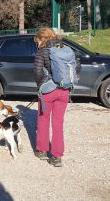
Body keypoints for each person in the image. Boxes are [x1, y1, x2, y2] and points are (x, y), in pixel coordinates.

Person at [33, 27, 80, 167]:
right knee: (58, 123)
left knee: (43, 120)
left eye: (38, 41)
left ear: (43, 39)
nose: (37, 43)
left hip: (48, 91)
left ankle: (42, 150)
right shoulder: (66, 49)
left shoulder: (42, 52)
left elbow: (37, 70)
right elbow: (77, 66)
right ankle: (57, 157)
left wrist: (41, 85)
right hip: (64, 91)